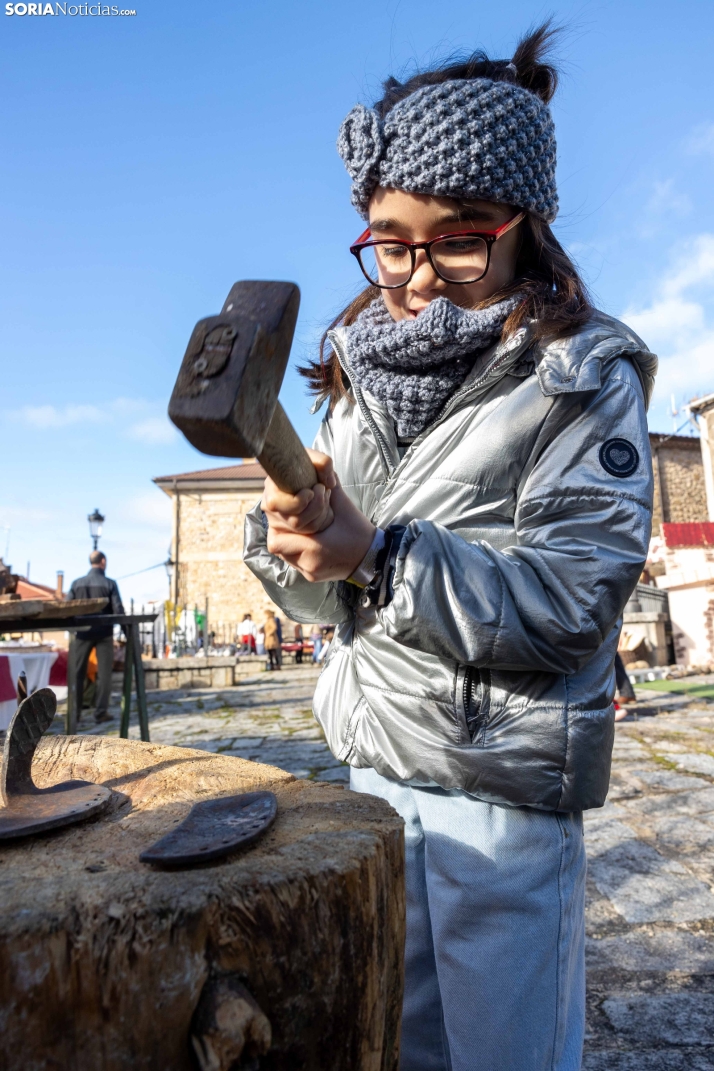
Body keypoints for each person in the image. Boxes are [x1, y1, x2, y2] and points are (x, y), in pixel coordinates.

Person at [244, 25, 656, 1071]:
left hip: (501, 800)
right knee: (399, 1043)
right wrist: (293, 543)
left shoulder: (580, 380)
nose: (419, 279)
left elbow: (570, 606)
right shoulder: (355, 376)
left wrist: (375, 555)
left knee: (507, 1054)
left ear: (527, 230)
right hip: (373, 776)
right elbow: (332, 607)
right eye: (391, 240)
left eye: (459, 237)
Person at [68, 551, 124, 724]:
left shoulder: (77, 584)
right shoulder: (109, 584)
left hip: (82, 633)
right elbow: (118, 610)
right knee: (105, 675)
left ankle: (75, 713)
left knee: (77, 674)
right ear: (103, 561)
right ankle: (100, 712)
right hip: (104, 633)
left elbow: (67, 607)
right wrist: (127, 632)